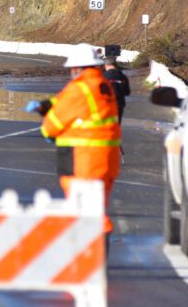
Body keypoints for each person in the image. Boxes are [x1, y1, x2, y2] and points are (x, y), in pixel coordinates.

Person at [26, 44, 121, 233]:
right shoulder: (101, 85)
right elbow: (66, 103)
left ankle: (92, 251)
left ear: (78, 67)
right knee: (95, 207)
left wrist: (47, 131)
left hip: (84, 158)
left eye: (72, 68)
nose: (71, 72)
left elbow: (53, 124)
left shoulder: (80, 88)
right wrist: (46, 105)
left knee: (86, 212)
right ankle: (96, 248)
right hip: (106, 157)